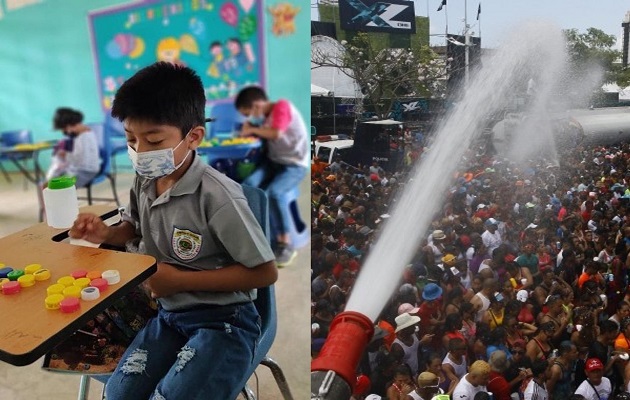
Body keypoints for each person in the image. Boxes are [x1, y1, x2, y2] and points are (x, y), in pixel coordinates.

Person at [69, 62, 277, 400]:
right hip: (168, 314)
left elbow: (263, 272)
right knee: (118, 396)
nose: (140, 152)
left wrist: (180, 281)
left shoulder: (219, 197)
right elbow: (132, 227)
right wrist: (106, 235)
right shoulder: (145, 179)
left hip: (224, 321)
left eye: (153, 140)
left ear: (193, 136)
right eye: (131, 139)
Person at [235, 86, 309, 266]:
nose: (250, 117)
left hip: (294, 165)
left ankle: (285, 243)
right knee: (249, 185)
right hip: (273, 162)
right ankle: (259, 234)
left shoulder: (282, 106)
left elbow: (276, 133)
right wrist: (252, 129)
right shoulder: (266, 119)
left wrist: (251, 130)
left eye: (249, 113)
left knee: (275, 193)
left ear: (257, 105)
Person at [46, 107, 100, 187]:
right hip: (79, 169)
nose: (67, 132)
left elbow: (80, 160)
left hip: (86, 171)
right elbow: (77, 157)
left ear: (71, 124)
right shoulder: (81, 135)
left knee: (53, 186)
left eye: (65, 128)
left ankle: (61, 197)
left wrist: (65, 155)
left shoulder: (86, 137)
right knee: (50, 181)